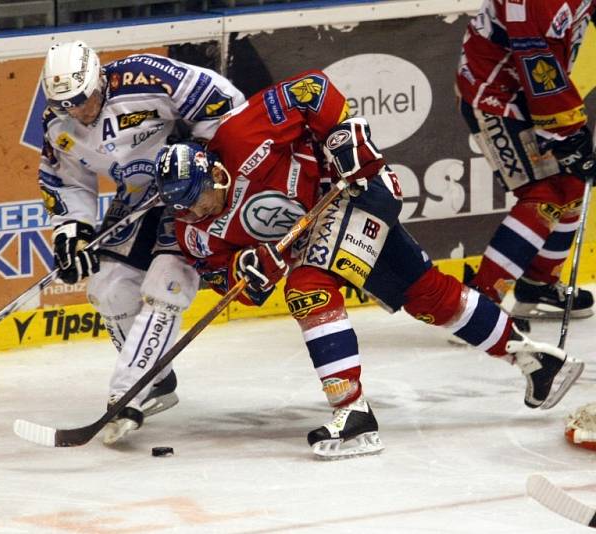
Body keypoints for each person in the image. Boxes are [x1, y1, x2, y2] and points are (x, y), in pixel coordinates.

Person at [153, 70, 584, 460]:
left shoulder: (239, 135)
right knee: (427, 295)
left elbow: (312, 90)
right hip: (316, 231)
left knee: (307, 289)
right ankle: (538, 362)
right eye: (183, 208)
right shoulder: (193, 231)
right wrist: (249, 274)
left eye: (197, 200)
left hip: (352, 191)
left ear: (214, 175)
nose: (193, 212)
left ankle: (353, 413)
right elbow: (231, 283)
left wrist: (344, 140)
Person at [37, 41, 245, 444]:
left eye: (81, 98)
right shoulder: (57, 123)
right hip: (137, 194)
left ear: (99, 79)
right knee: (107, 290)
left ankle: (127, 392)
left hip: (193, 190)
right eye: (64, 104)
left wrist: (198, 161)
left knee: (166, 284)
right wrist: (72, 228)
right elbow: (63, 179)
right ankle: (158, 382)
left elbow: (226, 104)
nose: (76, 110)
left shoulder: (147, 77)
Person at [455, 1, 596, 326]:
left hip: (526, 89)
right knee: (546, 193)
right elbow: (540, 67)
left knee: (572, 184)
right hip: (495, 96)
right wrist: (569, 135)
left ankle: (538, 284)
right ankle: (478, 307)